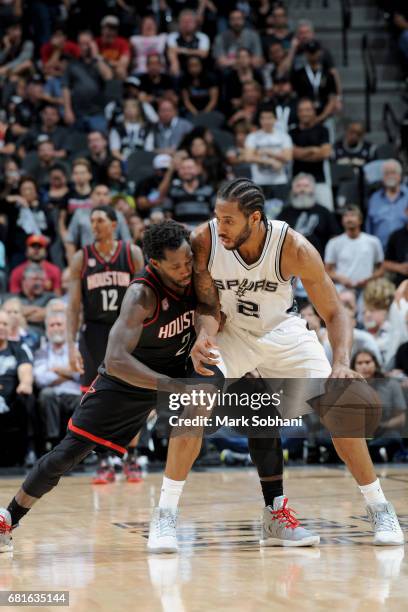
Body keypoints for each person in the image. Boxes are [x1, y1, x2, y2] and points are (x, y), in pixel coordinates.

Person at [189, 177, 404, 547]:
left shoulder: (294, 247)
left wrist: (340, 361)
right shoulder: (205, 240)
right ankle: (166, 513)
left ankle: (379, 508)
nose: (219, 226)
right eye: (217, 217)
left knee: (340, 404)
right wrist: (203, 334)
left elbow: (335, 312)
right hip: (231, 332)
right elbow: (203, 303)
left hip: (282, 332)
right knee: (192, 400)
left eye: (228, 220)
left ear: (254, 218)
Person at [0, 221, 204, 554]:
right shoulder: (142, 294)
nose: (186, 270)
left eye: (188, 261)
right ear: (154, 264)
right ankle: (8, 518)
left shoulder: (197, 274)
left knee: (230, 407)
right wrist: (172, 387)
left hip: (178, 370)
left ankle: (173, 511)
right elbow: (117, 359)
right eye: (176, 266)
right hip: (128, 382)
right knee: (66, 456)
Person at [67, 205, 143, 483]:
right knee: (95, 400)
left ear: (114, 224)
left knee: (132, 397)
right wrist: (70, 344)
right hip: (95, 334)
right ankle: (103, 461)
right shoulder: (81, 258)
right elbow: (73, 307)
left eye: (100, 220)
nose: (94, 225)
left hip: (126, 331)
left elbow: (145, 293)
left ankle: (131, 458)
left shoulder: (131, 253)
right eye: (92, 221)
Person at [33, 311, 81, 451]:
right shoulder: (42, 351)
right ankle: (53, 444)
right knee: (46, 394)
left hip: (74, 394)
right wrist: (70, 373)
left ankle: (79, 446)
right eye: (51, 325)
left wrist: (56, 370)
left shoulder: (77, 348)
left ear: (67, 327)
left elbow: (81, 374)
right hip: (52, 394)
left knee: (83, 399)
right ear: (47, 329)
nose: (55, 328)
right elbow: (40, 379)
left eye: (59, 324)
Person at [352, 350, 406, 462]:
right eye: (360, 363)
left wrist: (383, 425)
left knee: (393, 438)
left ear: (375, 364)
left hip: (384, 430)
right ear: (353, 366)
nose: (364, 366)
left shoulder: (391, 385)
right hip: (356, 432)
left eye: (367, 362)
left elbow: (401, 418)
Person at [0, 309, 33, 469]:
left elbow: (25, 371)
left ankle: (29, 450)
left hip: (11, 401)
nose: (1, 327)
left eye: (5, 324)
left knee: (27, 397)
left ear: (10, 328)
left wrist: (25, 383)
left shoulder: (18, 349)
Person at [278, 173, 339, 258]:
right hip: (290, 261)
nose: (302, 189)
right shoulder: (284, 212)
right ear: (293, 189)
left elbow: (335, 237)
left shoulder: (324, 212)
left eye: (306, 186)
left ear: (313, 189)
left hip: (319, 260)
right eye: (298, 186)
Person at [62, 30, 113, 133]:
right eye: (81, 44)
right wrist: (67, 110)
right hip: (78, 114)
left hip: (97, 113)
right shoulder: (72, 64)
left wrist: (96, 56)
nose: (84, 47)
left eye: (87, 43)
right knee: (78, 146)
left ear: (93, 44)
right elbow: (65, 87)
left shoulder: (100, 62)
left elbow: (108, 76)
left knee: (98, 143)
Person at [64, 185, 131, 262]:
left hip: (114, 260)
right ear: (91, 196)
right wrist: (73, 264)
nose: (101, 198)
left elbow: (127, 241)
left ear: (110, 199)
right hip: (87, 260)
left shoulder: (118, 215)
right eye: (98, 194)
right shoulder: (80, 214)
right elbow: (70, 241)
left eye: (105, 194)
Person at [325, 205, 384, 292]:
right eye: (346, 216)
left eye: (352, 215)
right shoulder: (334, 243)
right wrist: (340, 278)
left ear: (360, 220)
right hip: (342, 290)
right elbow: (327, 271)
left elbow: (381, 269)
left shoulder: (373, 241)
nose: (349, 219)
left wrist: (369, 279)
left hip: (367, 290)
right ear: (342, 221)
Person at [290, 98, 333, 210]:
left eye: (308, 110)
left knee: (327, 211)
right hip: (297, 182)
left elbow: (325, 153)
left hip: (320, 180)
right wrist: (313, 150)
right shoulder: (292, 132)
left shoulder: (323, 130)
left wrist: (302, 153)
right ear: (298, 113)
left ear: (314, 111)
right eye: (302, 110)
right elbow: (293, 153)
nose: (305, 113)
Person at [244, 105, 292, 202]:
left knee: (280, 214)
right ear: (260, 120)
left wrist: (268, 152)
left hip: (280, 181)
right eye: (263, 118)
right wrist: (270, 162)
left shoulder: (283, 136)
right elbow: (248, 157)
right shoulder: (253, 137)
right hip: (259, 182)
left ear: (275, 119)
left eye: (269, 118)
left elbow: (288, 157)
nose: (266, 121)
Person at [159, 157, 215, 228]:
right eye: (183, 168)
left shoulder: (209, 190)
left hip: (204, 234)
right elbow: (167, 215)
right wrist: (178, 226)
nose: (186, 171)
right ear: (179, 171)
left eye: (189, 168)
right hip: (181, 234)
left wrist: (204, 228)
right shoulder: (173, 192)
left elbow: (216, 215)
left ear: (197, 169)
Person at [365, 159, 408, 249]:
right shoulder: (374, 199)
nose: (390, 176)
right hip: (381, 251)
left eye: (393, 172)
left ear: (400, 176)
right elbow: (369, 228)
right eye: (386, 173)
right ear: (382, 177)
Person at [166, 9, 210, 77]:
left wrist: (182, 50)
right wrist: (195, 51)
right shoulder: (172, 36)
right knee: (173, 66)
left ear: (195, 23)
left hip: (200, 70)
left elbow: (203, 54)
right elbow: (171, 51)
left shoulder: (203, 37)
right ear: (179, 23)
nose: (186, 24)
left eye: (189, 21)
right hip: (180, 69)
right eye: (184, 21)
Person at [96, 15, 130, 81]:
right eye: (107, 28)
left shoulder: (122, 43)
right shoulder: (96, 42)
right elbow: (95, 60)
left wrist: (108, 62)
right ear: (102, 29)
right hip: (100, 71)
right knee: (104, 69)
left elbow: (124, 63)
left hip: (116, 69)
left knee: (121, 71)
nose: (110, 31)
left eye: (113, 28)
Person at [384, 220, 408, 287]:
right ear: (406, 212)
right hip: (400, 284)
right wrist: (400, 267)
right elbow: (385, 263)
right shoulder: (396, 236)